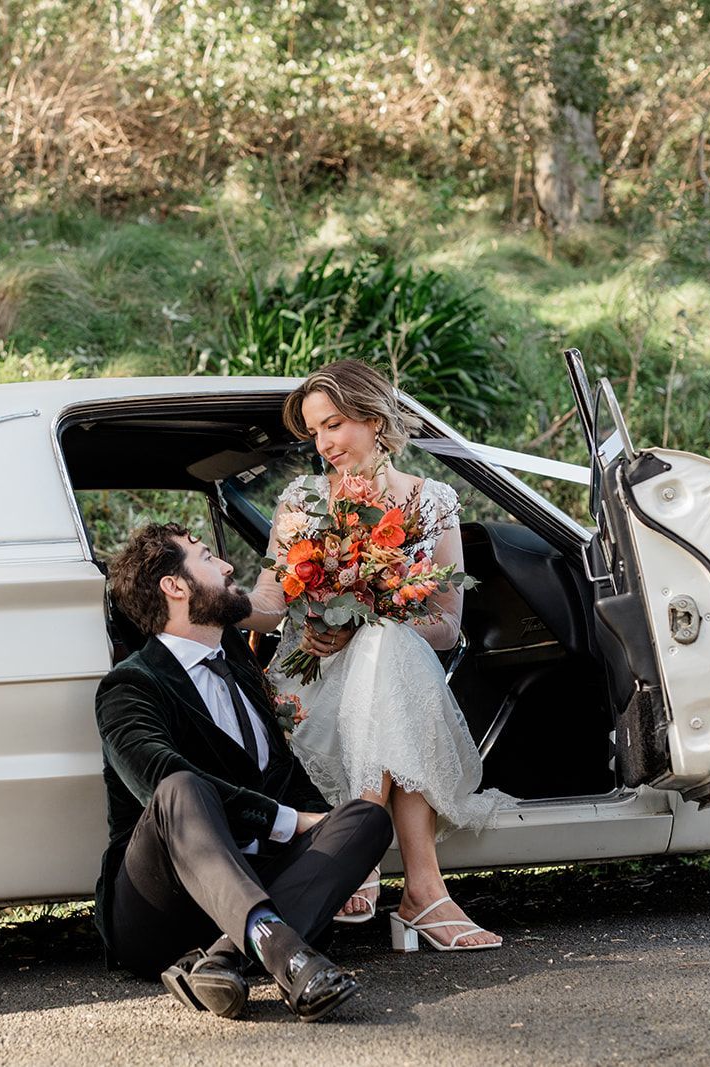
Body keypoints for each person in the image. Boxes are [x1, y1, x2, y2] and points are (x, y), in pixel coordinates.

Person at [242, 359, 511, 953]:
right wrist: (209, 603)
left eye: (333, 425)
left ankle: (359, 853)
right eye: (314, 431)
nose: (323, 444)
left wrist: (371, 614)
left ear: (373, 419)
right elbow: (267, 603)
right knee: (394, 675)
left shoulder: (433, 501)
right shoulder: (302, 499)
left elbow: (445, 628)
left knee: (389, 648)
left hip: (397, 671)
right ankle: (423, 892)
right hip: (310, 677)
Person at [94, 522, 395, 1022]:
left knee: (366, 817)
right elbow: (156, 778)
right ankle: (283, 952)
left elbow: (285, 776)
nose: (228, 566)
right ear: (175, 586)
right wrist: (290, 821)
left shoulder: (239, 670)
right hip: (160, 907)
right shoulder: (130, 686)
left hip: (254, 882)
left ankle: (230, 957)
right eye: (208, 558)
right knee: (179, 786)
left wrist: (333, 838)